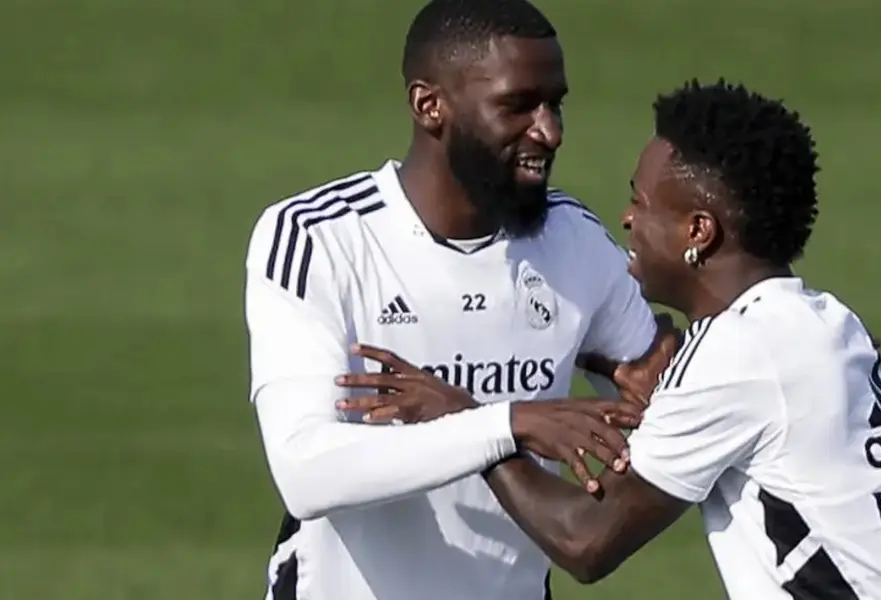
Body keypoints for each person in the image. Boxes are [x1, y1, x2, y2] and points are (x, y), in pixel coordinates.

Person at [348, 79, 881, 599]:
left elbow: (585, 540)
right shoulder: (823, 324)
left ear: (698, 231)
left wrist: (473, 422)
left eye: (641, 201)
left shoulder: (741, 352)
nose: (628, 219)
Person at [241, 1, 676, 599]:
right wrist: (506, 423)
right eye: (518, 105)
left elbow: (663, 406)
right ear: (430, 106)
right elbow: (306, 472)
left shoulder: (572, 239)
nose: (549, 131)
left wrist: (674, 382)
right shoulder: (319, 238)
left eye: (555, 104)